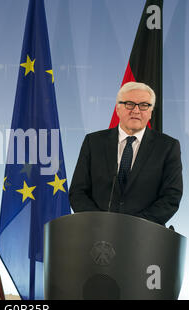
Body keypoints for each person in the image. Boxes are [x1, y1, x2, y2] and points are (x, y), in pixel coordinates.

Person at [68, 82, 182, 226]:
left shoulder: (167, 147)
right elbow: (78, 192)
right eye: (129, 104)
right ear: (117, 108)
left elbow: (171, 197)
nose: (136, 110)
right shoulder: (94, 142)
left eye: (144, 105)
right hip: (97, 233)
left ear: (151, 112)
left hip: (144, 236)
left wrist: (134, 225)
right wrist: (98, 221)